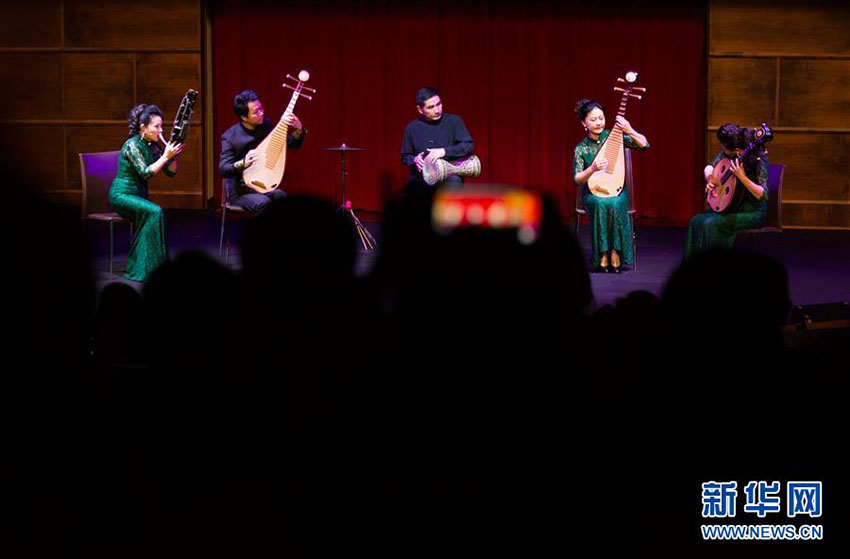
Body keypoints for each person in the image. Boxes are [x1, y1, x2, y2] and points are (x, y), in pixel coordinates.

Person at [572, 99, 648, 274]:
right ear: (584, 123)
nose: (598, 122)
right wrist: (592, 168)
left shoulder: (614, 137)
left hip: (617, 191)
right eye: (593, 119)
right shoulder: (581, 148)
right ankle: (602, 254)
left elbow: (644, 145)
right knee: (601, 204)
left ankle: (615, 252)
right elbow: (577, 179)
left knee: (615, 203)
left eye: (601, 118)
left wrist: (629, 129)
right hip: (592, 193)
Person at [110, 104, 183, 282]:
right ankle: (146, 270)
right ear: (143, 127)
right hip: (122, 196)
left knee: (152, 213)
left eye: (161, 126)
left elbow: (170, 172)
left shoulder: (152, 146)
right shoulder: (132, 145)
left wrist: (173, 156)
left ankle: (153, 268)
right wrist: (166, 156)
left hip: (138, 196)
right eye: (156, 126)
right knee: (155, 212)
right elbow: (146, 172)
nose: (160, 130)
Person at [684, 123, 768, 258]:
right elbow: (710, 166)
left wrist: (742, 176)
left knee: (711, 224)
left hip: (752, 211)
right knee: (696, 221)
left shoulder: (758, 157)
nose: (721, 148)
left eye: (723, 147)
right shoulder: (727, 151)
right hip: (731, 208)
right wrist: (711, 178)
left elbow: (762, 194)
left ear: (736, 150)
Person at [219, 89, 305, 214]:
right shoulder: (230, 137)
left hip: (263, 185)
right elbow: (223, 169)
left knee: (283, 199)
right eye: (255, 112)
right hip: (240, 190)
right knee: (264, 204)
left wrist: (298, 129)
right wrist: (243, 163)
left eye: (261, 108)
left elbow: (291, 144)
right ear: (244, 117)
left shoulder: (266, 125)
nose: (261, 113)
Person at [400, 87, 474, 189]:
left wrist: (444, 151)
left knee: (454, 183)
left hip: (450, 176)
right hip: (422, 178)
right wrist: (415, 160)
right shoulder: (411, 128)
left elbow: (468, 146)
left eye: (438, 104)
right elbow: (405, 156)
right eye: (430, 107)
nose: (437, 110)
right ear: (420, 110)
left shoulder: (454, 121)